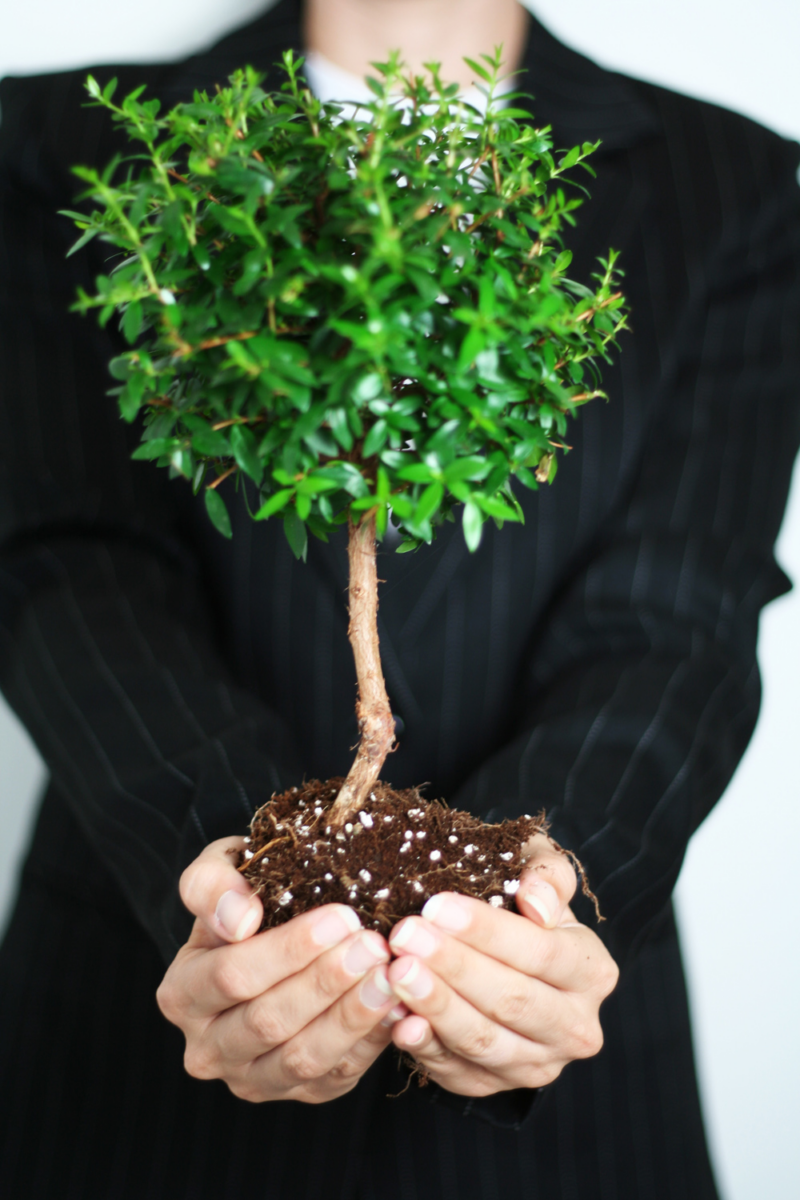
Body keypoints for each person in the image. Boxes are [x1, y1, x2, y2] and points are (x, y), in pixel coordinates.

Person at [0, 0, 798, 1196]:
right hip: (136, 1047)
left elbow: (674, 612)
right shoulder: (63, 143)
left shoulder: (731, 180)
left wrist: (546, 892)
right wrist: (237, 890)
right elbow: (64, 557)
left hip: (558, 1082)